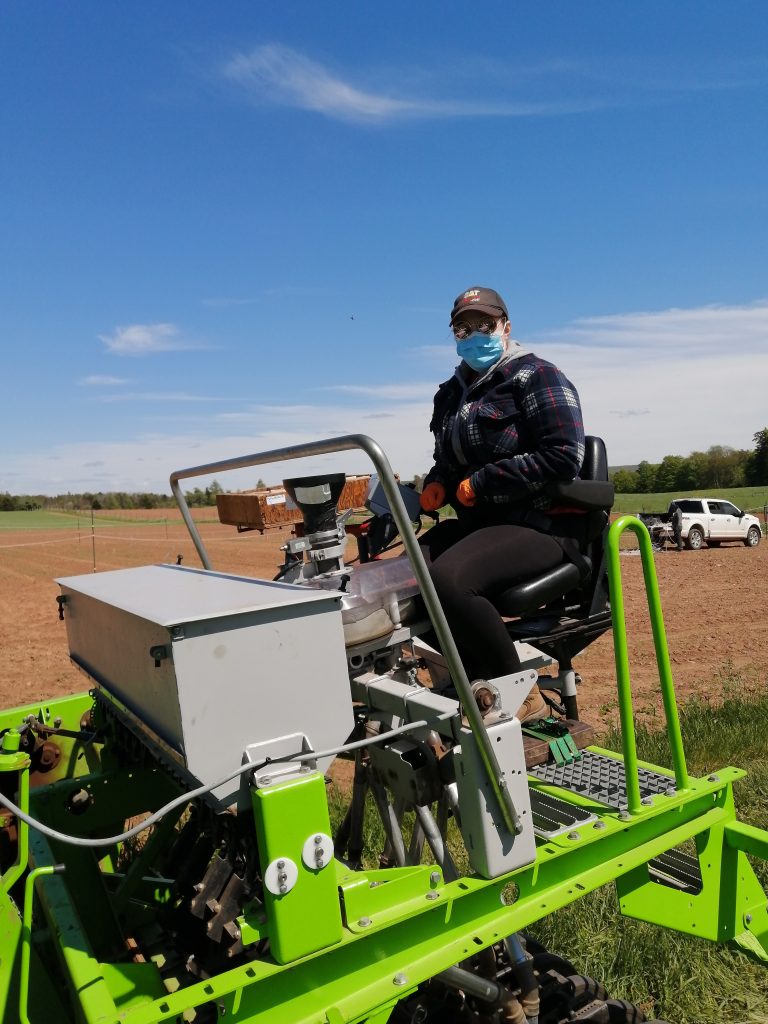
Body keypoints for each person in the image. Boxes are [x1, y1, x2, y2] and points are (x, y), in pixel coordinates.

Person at [418, 286, 586, 723]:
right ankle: (469, 678)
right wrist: (438, 482)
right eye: (463, 328)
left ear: (506, 328)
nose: (474, 335)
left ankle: (517, 692)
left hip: (540, 524)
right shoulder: (450, 394)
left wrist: (486, 480)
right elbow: (447, 460)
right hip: (481, 526)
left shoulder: (536, 376)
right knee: (398, 579)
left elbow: (565, 455)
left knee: (448, 582)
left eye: (484, 325)